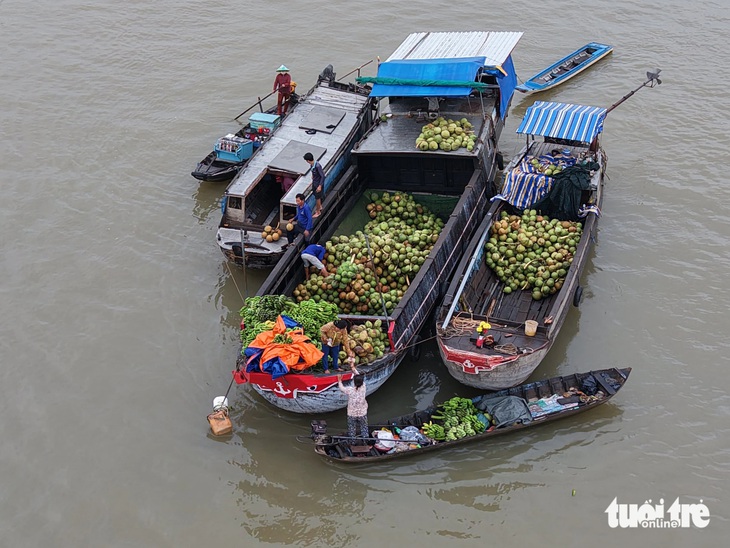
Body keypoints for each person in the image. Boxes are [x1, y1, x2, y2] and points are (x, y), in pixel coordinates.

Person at [337, 373, 368, 439]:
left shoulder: (350, 390)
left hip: (351, 414)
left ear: (354, 382)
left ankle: (352, 442)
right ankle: (366, 441)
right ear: (362, 382)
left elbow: (342, 388)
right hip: (362, 413)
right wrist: (353, 368)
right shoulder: (363, 387)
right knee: (364, 428)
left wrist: (339, 380)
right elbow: (359, 376)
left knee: (352, 429)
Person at [303, 152, 325, 217]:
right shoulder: (312, 165)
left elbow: (323, 176)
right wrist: (313, 176)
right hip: (315, 183)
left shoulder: (318, 166)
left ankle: (318, 212)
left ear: (308, 160)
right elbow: (313, 172)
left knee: (317, 198)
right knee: (315, 195)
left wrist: (320, 186)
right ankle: (320, 207)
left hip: (318, 184)